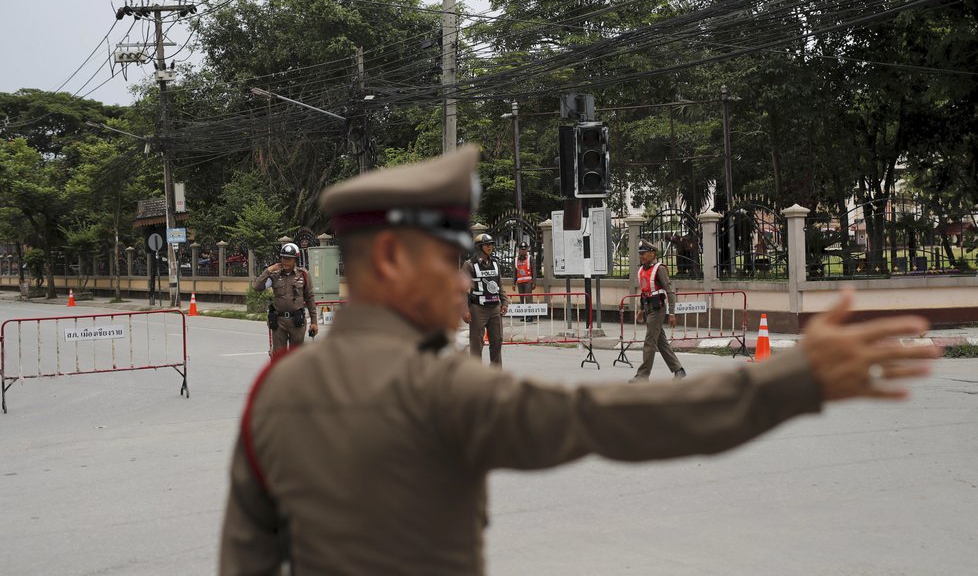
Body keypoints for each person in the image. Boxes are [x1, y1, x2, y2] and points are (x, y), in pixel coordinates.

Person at [220, 146, 939, 576]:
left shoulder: (275, 394)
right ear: (387, 257)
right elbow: (606, 419)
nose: (467, 279)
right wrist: (796, 379)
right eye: (451, 258)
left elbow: (244, 559)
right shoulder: (434, 389)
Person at [630, 239, 688, 382]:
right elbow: (644, 292)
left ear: (653, 254)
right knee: (661, 342)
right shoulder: (642, 270)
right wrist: (641, 310)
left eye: (644, 253)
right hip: (648, 308)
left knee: (649, 342)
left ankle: (642, 376)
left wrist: (672, 313)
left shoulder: (659, 269)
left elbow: (670, 291)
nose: (641, 256)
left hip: (658, 309)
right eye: (640, 253)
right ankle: (678, 370)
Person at [252, 243, 318, 354]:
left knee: (295, 356)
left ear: (295, 259)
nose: (285, 261)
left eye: (289, 259)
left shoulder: (303, 275)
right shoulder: (274, 275)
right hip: (279, 322)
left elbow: (310, 298)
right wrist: (268, 270)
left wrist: (314, 322)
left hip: (297, 321)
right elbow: (257, 287)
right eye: (283, 258)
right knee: (279, 356)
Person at [462, 233, 509, 367]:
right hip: (478, 309)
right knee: (476, 343)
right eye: (487, 244)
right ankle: (477, 376)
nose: (490, 247)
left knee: (497, 341)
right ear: (479, 247)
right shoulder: (469, 265)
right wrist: (464, 310)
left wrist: (504, 301)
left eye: (492, 244)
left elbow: (499, 284)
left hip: (495, 308)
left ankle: (495, 374)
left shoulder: (495, 263)